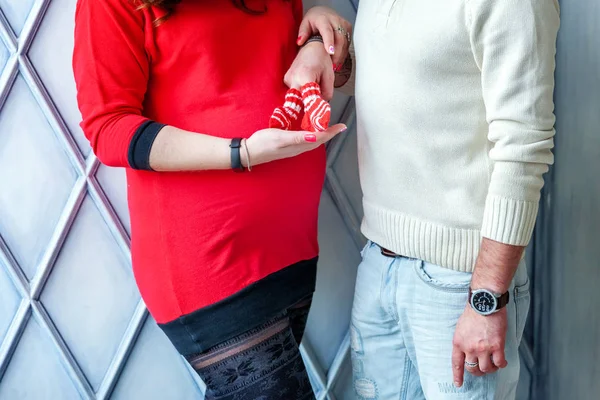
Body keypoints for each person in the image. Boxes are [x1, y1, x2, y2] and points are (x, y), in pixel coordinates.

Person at [72, 1, 351, 399]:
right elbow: (108, 127)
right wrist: (241, 152)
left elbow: (287, 61)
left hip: (291, 247)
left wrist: (317, 43)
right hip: (210, 262)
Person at [336, 0, 560, 398]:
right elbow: (399, 71)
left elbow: (522, 150)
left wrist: (485, 298)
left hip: (460, 281)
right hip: (378, 261)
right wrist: (325, 46)